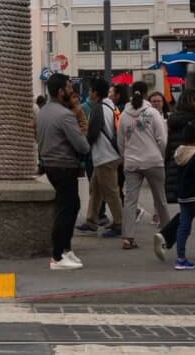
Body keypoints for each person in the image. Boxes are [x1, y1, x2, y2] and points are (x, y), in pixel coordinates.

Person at [35, 73, 90, 270]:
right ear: (60, 92)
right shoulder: (65, 115)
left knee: (71, 205)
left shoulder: (42, 112)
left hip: (51, 164)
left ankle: (66, 250)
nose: (71, 91)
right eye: (68, 87)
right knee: (66, 209)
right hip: (65, 165)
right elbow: (82, 145)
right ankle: (58, 256)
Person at [156, 88, 195, 259]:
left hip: (177, 166)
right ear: (193, 102)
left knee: (189, 209)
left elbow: (168, 147)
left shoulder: (173, 120)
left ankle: (167, 237)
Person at [119, 83, 169, 250]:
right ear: (146, 94)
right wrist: (160, 155)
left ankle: (128, 237)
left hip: (131, 162)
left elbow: (120, 142)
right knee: (160, 199)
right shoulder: (153, 113)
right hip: (153, 160)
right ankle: (167, 234)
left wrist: (126, 156)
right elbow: (162, 139)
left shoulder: (124, 115)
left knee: (130, 200)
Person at [76, 82, 123, 238]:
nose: (89, 92)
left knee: (111, 192)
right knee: (95, 190)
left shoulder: (98, 108)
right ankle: (91, 221)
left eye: (90, 90)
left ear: (95, 92)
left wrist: (83, 146)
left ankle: (119, 224)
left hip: (105, 156)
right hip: (110, 154)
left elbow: (93, 132)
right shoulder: (111, 107)